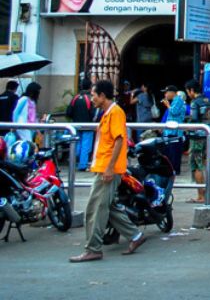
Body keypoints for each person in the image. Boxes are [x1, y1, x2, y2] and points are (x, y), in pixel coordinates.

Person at [69, 80, 146, 262]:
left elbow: (119, 140)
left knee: (94, 210)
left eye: (94, 95)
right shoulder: (107, 113)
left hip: (108, 170)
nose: (92, 99)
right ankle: (135, 236)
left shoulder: (115, 113)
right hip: (104, 167)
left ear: (102, 96)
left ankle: (93, 248)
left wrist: (110, 168)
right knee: (108, 207)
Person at [185, 80, 210, 203]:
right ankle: (205, 194)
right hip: (207, 137)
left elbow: (194, 120)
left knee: (196, 166)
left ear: (192, 90)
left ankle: (201, 196)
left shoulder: (195, 103)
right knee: (204, 165)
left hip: (197, 138)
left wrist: (185, 127)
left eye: (188, 91)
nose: (188, 94)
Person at [68, 79, 97, 171]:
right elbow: (93, 114)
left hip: (76, 126)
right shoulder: (89, 99)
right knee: (86, 146)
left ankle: (74, 163)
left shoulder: (75, 98)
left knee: (77, 144)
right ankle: (82, 165)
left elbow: (68, 112)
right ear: (90, 87)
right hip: (88, 126)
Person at [161, 85, 186, 174]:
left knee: (174, 153)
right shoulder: (175, 101)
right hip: (171, 131)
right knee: (170, 152)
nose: (165, 94)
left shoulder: (178, 100)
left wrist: (167, 105)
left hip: (175, 132)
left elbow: (174, 112)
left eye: (166, 92)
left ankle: (174, 170)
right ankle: (172, 170)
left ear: (172, 92)